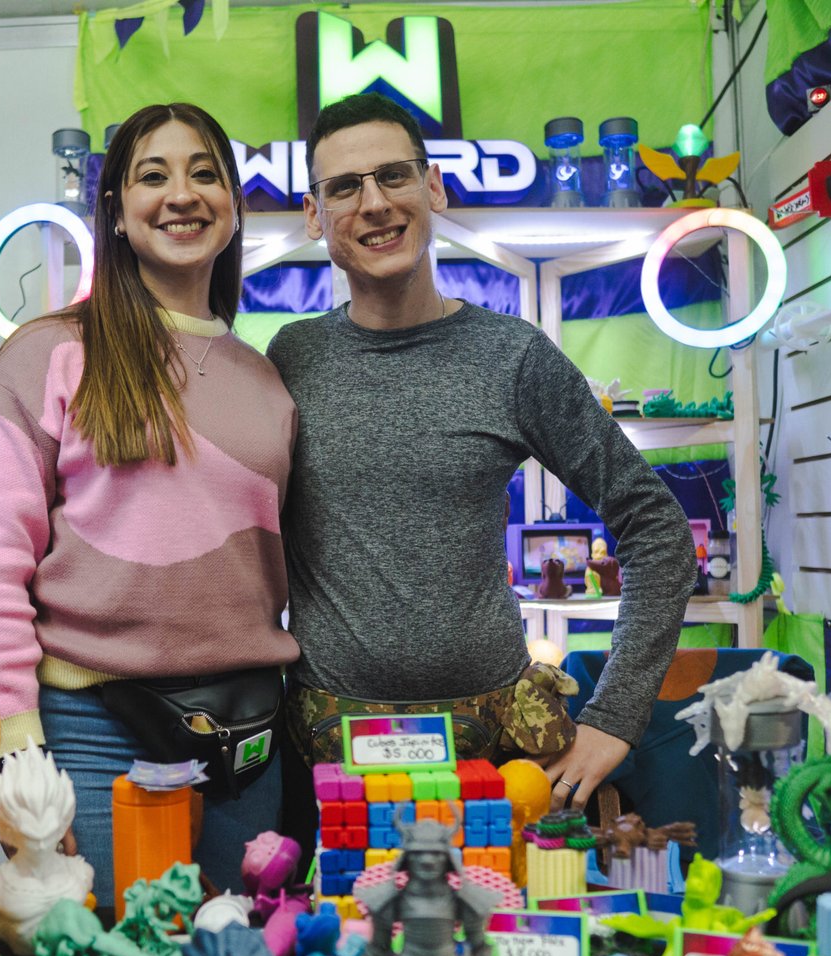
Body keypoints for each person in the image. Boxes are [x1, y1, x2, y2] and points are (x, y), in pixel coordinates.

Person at [269, 93, 695, 817]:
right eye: (343, 187)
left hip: (494, 758)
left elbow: (657, 529)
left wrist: (616, 717)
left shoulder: (512, 357)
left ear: (433, 187)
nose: (374, 203)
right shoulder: (292, 358)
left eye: (394, 176)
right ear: (315, 215)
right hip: (326, 756)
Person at [0, 103, 299, 904]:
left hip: (248, 736)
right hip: (93, 730)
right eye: (153, 175)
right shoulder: (49, 353)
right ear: (114, 208)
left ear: (233, 206)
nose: (182, 194)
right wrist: (15, 745)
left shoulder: (267, 381)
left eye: (205, 173)